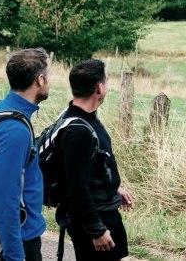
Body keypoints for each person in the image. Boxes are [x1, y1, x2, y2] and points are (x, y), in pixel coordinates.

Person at [55, 59, 135, 260]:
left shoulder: (79, 117)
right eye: (106, 81)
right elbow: (76, 186)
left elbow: (87, 168)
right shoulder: (78, 131)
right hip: (94, 219)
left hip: (102, 211)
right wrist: (97, 230)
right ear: (99, 88)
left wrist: (113, 188)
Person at [0, 48, 50, 261]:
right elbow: (3, 198)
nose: (50, 81)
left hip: (7, 231)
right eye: (49, 76)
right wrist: (14, 255)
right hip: (18, 237)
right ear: (39, 80)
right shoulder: (15, 130)